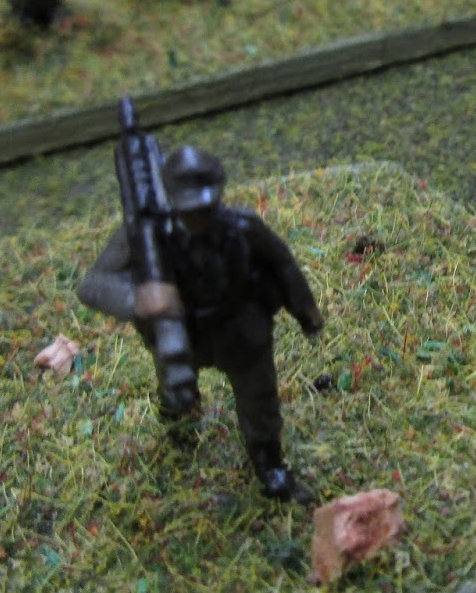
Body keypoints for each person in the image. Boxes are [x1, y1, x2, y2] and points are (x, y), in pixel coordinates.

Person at [76, 144, 324, 503]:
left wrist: (306, 311)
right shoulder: (144, 235)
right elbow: (93, 284)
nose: (199, 218)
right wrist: (139, 299)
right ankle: (179, 431)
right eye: (189, 210)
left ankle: (269, 464)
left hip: (239, 329)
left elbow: (282, 264)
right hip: (181, 335)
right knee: (177, 392)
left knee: (259, 400)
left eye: (206, 208)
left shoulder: (244, 227)